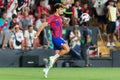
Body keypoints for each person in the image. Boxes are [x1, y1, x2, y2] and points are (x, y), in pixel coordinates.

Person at [36, 3, 70, 78]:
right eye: (61, 9)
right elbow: (44, 24)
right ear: (57, 9)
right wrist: (38, 32)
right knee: (67, 49)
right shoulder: (52, 17)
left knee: (56, 57)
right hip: (56, 38)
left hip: (57, 38)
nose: (62, 11)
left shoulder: (60, 18)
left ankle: (46, 69)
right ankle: (53, 57)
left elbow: (63, 26)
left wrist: (66, 22)